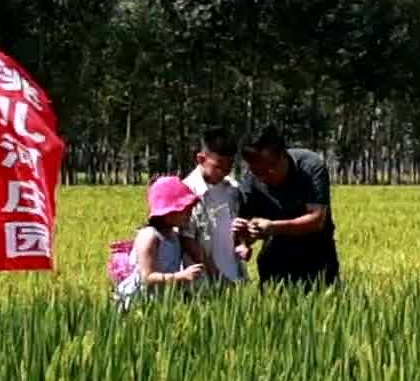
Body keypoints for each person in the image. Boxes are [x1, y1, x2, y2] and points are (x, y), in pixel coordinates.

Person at [231, 123, 339, 288]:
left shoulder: (310, 167)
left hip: (317, 257)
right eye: (257, 172)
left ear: (283, 154)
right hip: (276, 261)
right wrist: (244, 240)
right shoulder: (251, 181)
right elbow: (245, 229)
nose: (264, 176)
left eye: (269, 169)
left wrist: (273, 227)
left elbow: (317, 219)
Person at [113, 175, 209, 309]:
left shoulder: (174, 236)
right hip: (140, 300)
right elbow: (147, 277)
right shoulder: (150, 236)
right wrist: (181, 276)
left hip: (162, 298)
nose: (189, 214)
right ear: (168, 212)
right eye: (185, 210)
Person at [184, 126, 250, 286]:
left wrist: (243, 244)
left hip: (235, 275)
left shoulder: (233, 188)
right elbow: (188, 240)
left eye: (229, 167)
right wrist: (216, 275)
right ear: (200, 159)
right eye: (218, 167)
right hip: (204, 281)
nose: (224, 173)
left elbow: (235, 228)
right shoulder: (187, 192)